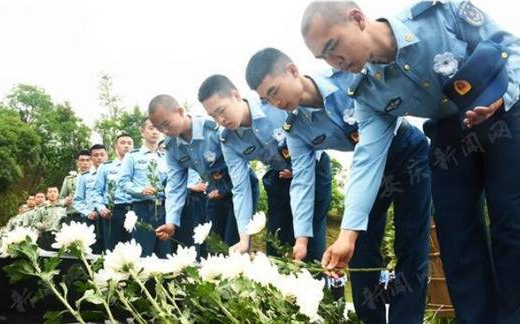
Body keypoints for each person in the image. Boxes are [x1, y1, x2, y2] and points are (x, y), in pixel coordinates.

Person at [301, 1, 520, 323]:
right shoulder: (365, 90)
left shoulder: (439, 13)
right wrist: (348, 234)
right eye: (323, 57)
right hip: (448, 134)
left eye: (333, 46)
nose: (334, 61)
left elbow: (510, 46)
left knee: (511, 222)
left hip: (504, 114)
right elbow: (368, 158)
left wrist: (506, 97)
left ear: (357, 19)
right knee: (455, 236)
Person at [246, 47, 430, 322]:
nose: (275, 103)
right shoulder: (294, 128)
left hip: (406, 151)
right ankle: (371, 319)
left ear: (292, 71)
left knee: (411, 242)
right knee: (360, 247)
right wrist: (302, 238)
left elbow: (370, 151)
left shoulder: (346, 79)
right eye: (265, 99)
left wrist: (347, 232)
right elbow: (302, 182)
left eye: (274, 91)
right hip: (369, 169)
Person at [148, 94, 259, 247]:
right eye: (159, 128)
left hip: (241, 187)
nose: (165, 130)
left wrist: (224, 188)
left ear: (180, 111)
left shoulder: (214, 129)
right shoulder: (171, 147)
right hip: (214, 193)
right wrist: (171, 222)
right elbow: (175, 185)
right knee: (215, 246)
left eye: (166, 123)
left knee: (235, 244)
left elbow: (240, 163)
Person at [198, 74, 291, 255]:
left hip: (311, 170)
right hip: (278, 176)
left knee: (309, 247)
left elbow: (309, 132)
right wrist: (244, 238)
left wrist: (300, 169)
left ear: (236, 95)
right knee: (277, 249)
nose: (221, 120)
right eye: (213, 116)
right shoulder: (228, 140)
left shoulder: (273, 104)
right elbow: (241, 188)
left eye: (222, 110)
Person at [119, 118, 172, 257]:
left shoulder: (165, 157)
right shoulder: (132, 156)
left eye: (158, 128)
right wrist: (140, 190)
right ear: (142, 131)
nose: (155, 132)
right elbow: (123, 183)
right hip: (142, 209)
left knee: (164, 254)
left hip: (163, 209)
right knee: (142, 253)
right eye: (151, 128)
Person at [93, 133, 135, 250]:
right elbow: (96, 192)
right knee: (112, 249)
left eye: (129, 143)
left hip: (135, 211)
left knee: (134, 249)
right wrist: (101, 208)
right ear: (116, 146)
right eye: (122, 143)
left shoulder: (138, 167)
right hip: (113, 212)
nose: (126, 146)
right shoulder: (106, 167)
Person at [74, 144, 108, 253]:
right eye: (96, 155)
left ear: (107, 156)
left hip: (109, 216)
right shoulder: (85, 177)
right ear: (91, 158)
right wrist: (87, 212)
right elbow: (77, 200)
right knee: (92, 250)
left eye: (102, 155)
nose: (99, 158)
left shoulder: (115, 173)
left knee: (109, 248)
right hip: (91, 218)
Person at [60, 150, 92, 224]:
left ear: (91, 161)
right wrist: (65, 202)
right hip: (73, 215)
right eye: (82, 160)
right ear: (77, 162)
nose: (85, 163)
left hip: (91, 214)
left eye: (88, 160)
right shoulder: (69, 179)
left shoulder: (97, 177)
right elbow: (60, 199)